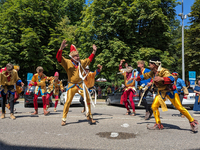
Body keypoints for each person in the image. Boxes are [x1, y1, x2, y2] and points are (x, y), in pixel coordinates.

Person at [136, 57, 198, 132]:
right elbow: (145, 75)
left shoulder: (163, 71)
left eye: (150, 64)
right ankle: (158, 124)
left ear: (154, 65)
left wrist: (162, 79)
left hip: (170, 91)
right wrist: (137, 78)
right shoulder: (153, 72)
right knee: (154, 106)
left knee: (179, 108)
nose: (149, 66)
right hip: (161, 92)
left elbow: (171, 78)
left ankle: (192, 121)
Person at [56, 39, 97, 126]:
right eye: (76, 56)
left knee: (88, 99)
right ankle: (64, 119)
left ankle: (89, 116)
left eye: (78, 56)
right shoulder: (67, 62)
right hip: (71, 85)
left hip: (80, 84)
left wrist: (93, 51)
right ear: (72, 57)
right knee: (67, 102)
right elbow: (59, 58)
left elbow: (89, 59)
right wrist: (61, 48)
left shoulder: (81, 63)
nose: (78, 57)